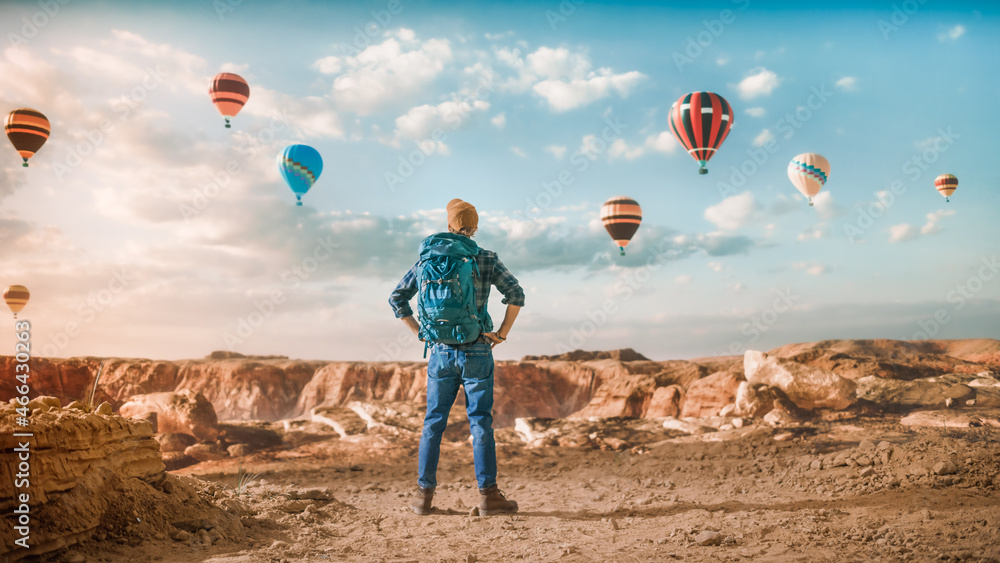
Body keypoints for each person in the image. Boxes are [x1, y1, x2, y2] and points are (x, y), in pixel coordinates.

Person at [389, 198, 524, 516]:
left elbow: (397, 298)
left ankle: (423, 497)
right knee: (480, 423)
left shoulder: (426, 260)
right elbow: (516, 294)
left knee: (433, 423)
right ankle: (489, 496)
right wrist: (502, 334)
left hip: (440, 352)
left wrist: (421, 332)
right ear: (474, 228)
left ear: (449, 226)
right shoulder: (485, 257)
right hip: (477, 348)